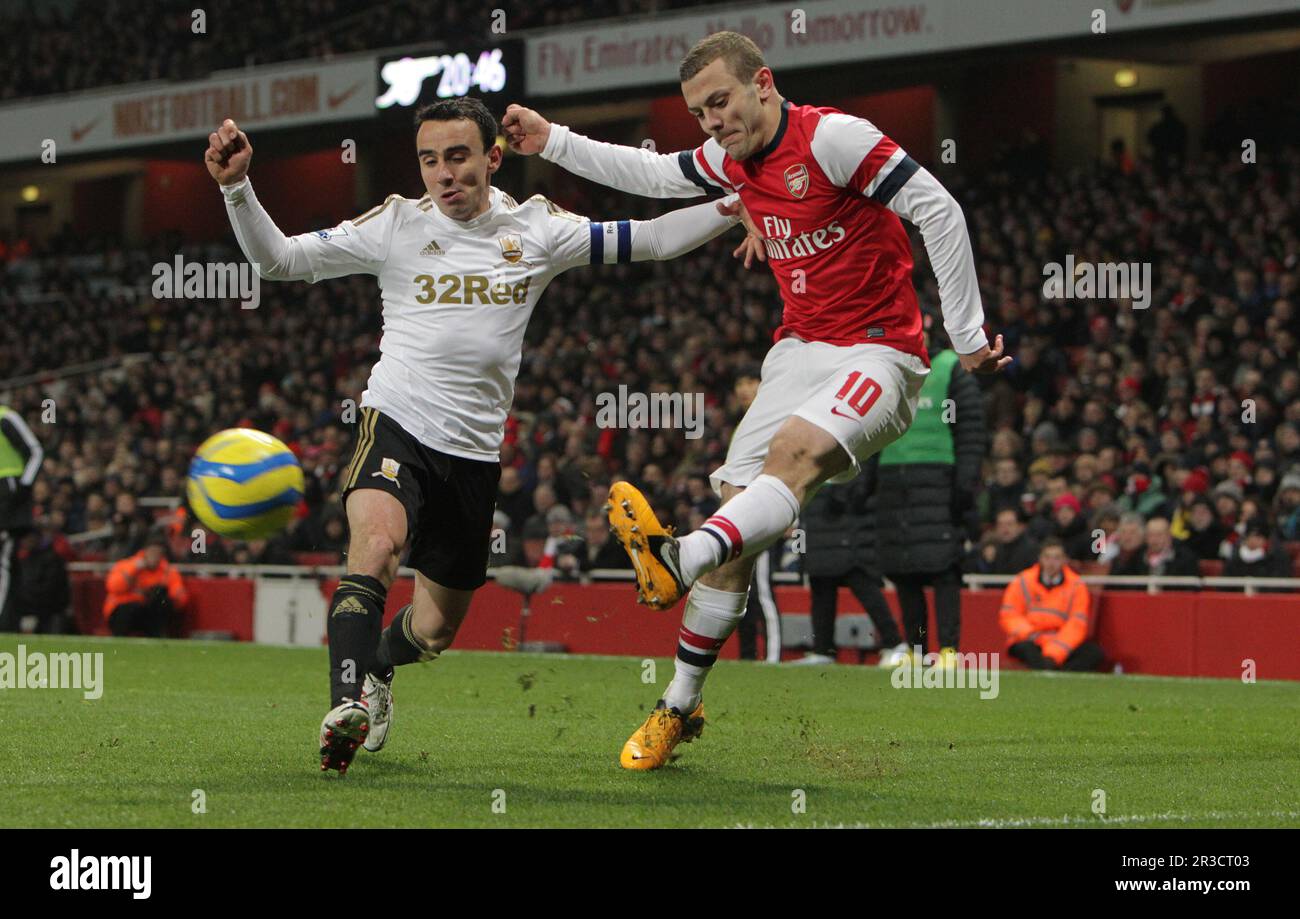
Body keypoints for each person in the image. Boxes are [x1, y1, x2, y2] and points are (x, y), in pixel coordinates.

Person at [504, 30, 1006, 769]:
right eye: (699, 111)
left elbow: (940, 210)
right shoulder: (726, 161)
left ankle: (676, 557)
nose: (711, 121)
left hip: (880, 351)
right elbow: (648, 171)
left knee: (790, 460)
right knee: (740, 526)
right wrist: (553, 140)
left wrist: (965, 332)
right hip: (799, 352)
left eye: (721, 101)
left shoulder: (833, 138)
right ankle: (679, 703)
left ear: (762, 83)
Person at [206, 99, 748, 774]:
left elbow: (655, 240)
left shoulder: (539, 229)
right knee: (374, 547)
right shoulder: (397, 223)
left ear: (494, 158)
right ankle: (343, 703)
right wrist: (236, 188)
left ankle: (377, 668)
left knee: (434, 630)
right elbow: (279, 260)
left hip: (472, 457)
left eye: (458, 157)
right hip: (395, 423)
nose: (443, 173)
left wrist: (737, 204)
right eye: (430, 159)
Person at [876, 338, 986, 668]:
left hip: (941, 481)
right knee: (904, 571)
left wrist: (964, 482)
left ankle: (949, 649)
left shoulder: (953, 366)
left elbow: (970, 428)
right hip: (894, 484)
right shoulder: (887, 367)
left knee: (944, 572)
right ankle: (917, 649)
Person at [796, 461, 905, 666]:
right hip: (818, 513)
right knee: (821, 583)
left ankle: (895, 643)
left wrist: (846, 493)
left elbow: (865, 471)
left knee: (860, 579)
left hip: (846, 519)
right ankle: (823, 649)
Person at [998, 538, 1104, 672]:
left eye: (1056, 558)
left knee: (1093, 652)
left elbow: (1077, 624)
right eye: (1047, 557)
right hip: (1030, 639)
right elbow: (1010, 616)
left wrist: (1054, 651)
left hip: (1061, 640)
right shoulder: (1023, 581)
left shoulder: (1076, 585)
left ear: (1064, 560)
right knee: (1026, 649)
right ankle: (1053, 672)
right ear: (1040, 558)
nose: (1051, 563)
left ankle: (1055, 674)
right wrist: (1033, 635)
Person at [0, 404, 44, 633]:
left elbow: (35, 451)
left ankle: (4, 622)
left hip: (7, 501)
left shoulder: (5, 417)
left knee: (3, 563)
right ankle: (11, 621)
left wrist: (23, 487)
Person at [103, 534, 189, 637]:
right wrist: (134, 569)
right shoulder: (126, 565)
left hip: (148, 611)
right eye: (152, 552)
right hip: (122, 609)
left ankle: (159, 636)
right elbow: (113, 587)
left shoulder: (167, 571)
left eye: (158, 553)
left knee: (161, 601)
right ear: (145, 552)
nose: (154, 556)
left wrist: (160, 594)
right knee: (130, 609)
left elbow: (180, 597)